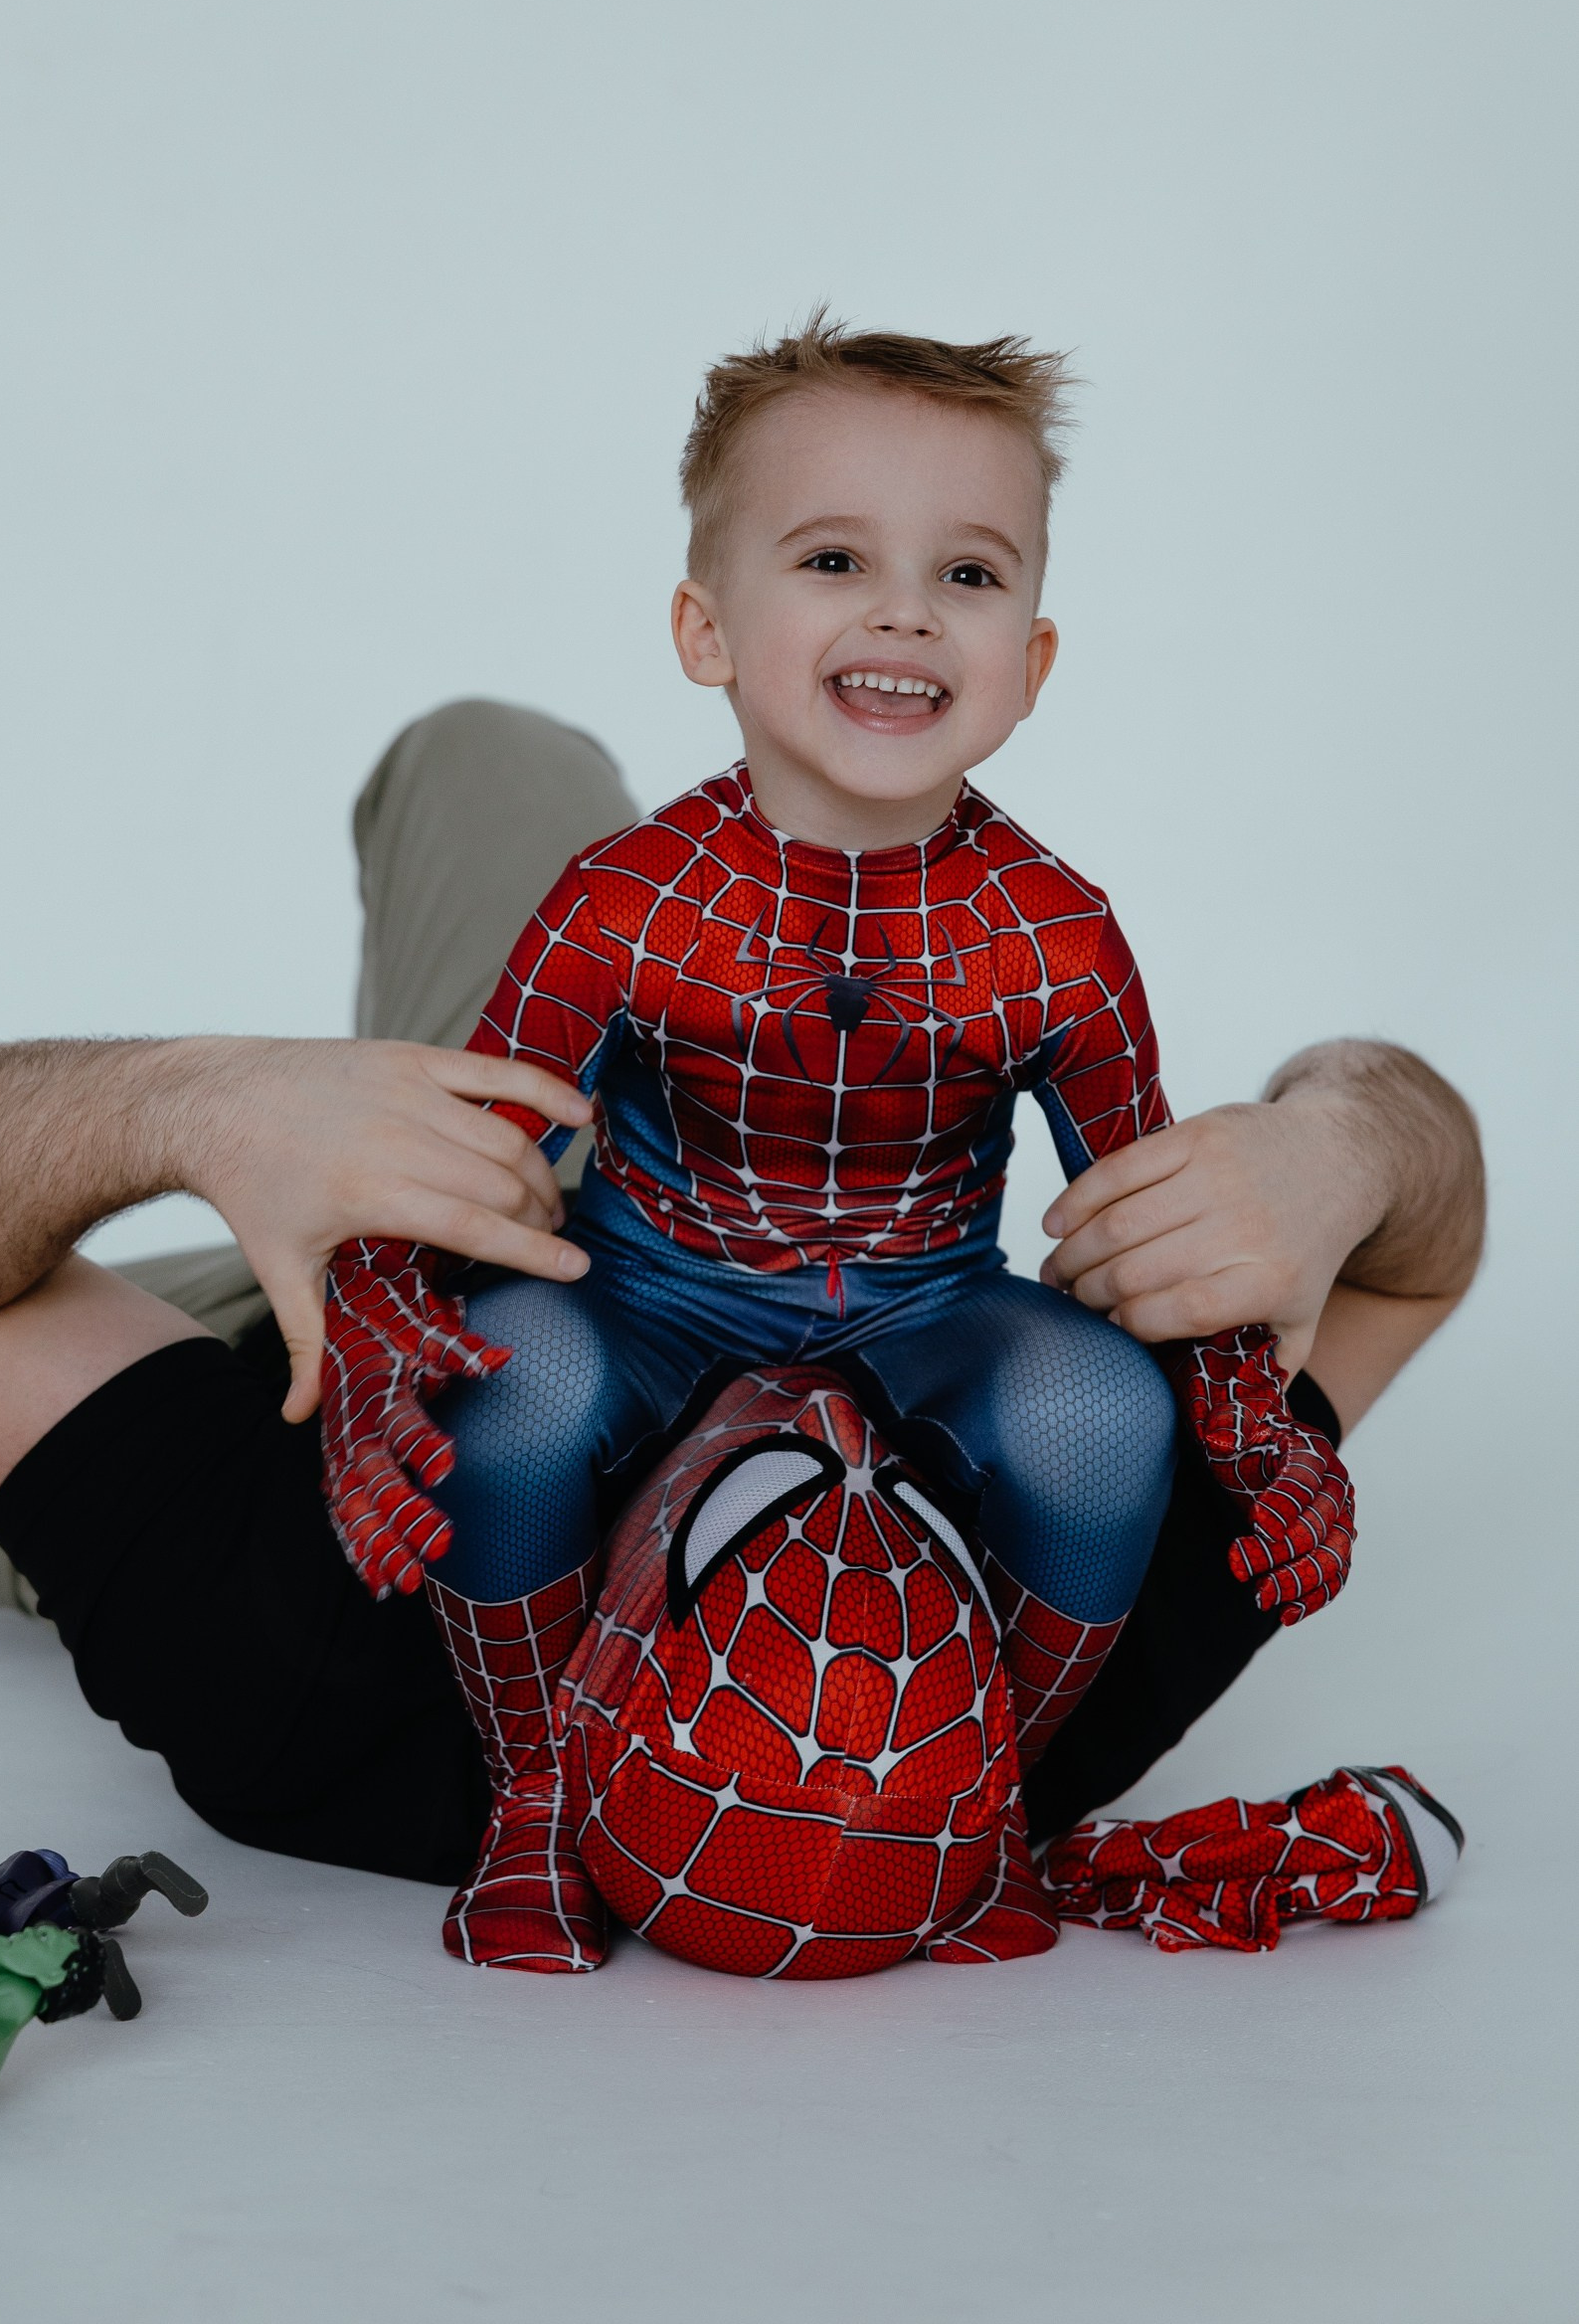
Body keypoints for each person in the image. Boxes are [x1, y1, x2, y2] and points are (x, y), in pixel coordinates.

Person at [0, 710, 1482, 1900]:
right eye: (907, 1552)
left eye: (752, 1555)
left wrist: (201, 1105)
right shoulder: (1102, 1602)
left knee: (470, 765)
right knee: (499, 757)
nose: (831, 1460)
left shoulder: (304, 1674)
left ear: (600, 1680)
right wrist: (1340, 1149)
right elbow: (1431, 1247)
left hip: (313, 1383)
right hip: (631, 1168)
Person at [311, 319, 1452, 1970]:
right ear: (707, 629)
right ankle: (542, 1798)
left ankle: (982, 1821)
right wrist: (374, 1350)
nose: (906, 611)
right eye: (835, 558)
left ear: (1032, 661)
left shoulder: (1056, 935)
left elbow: (1149, 1225)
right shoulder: (626, 899)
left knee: (1098, 1410)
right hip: (651, 1287)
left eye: (967, 575)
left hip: (927, 1300)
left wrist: (1251, 1428)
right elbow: (460, 1161)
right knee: (518, 1382)